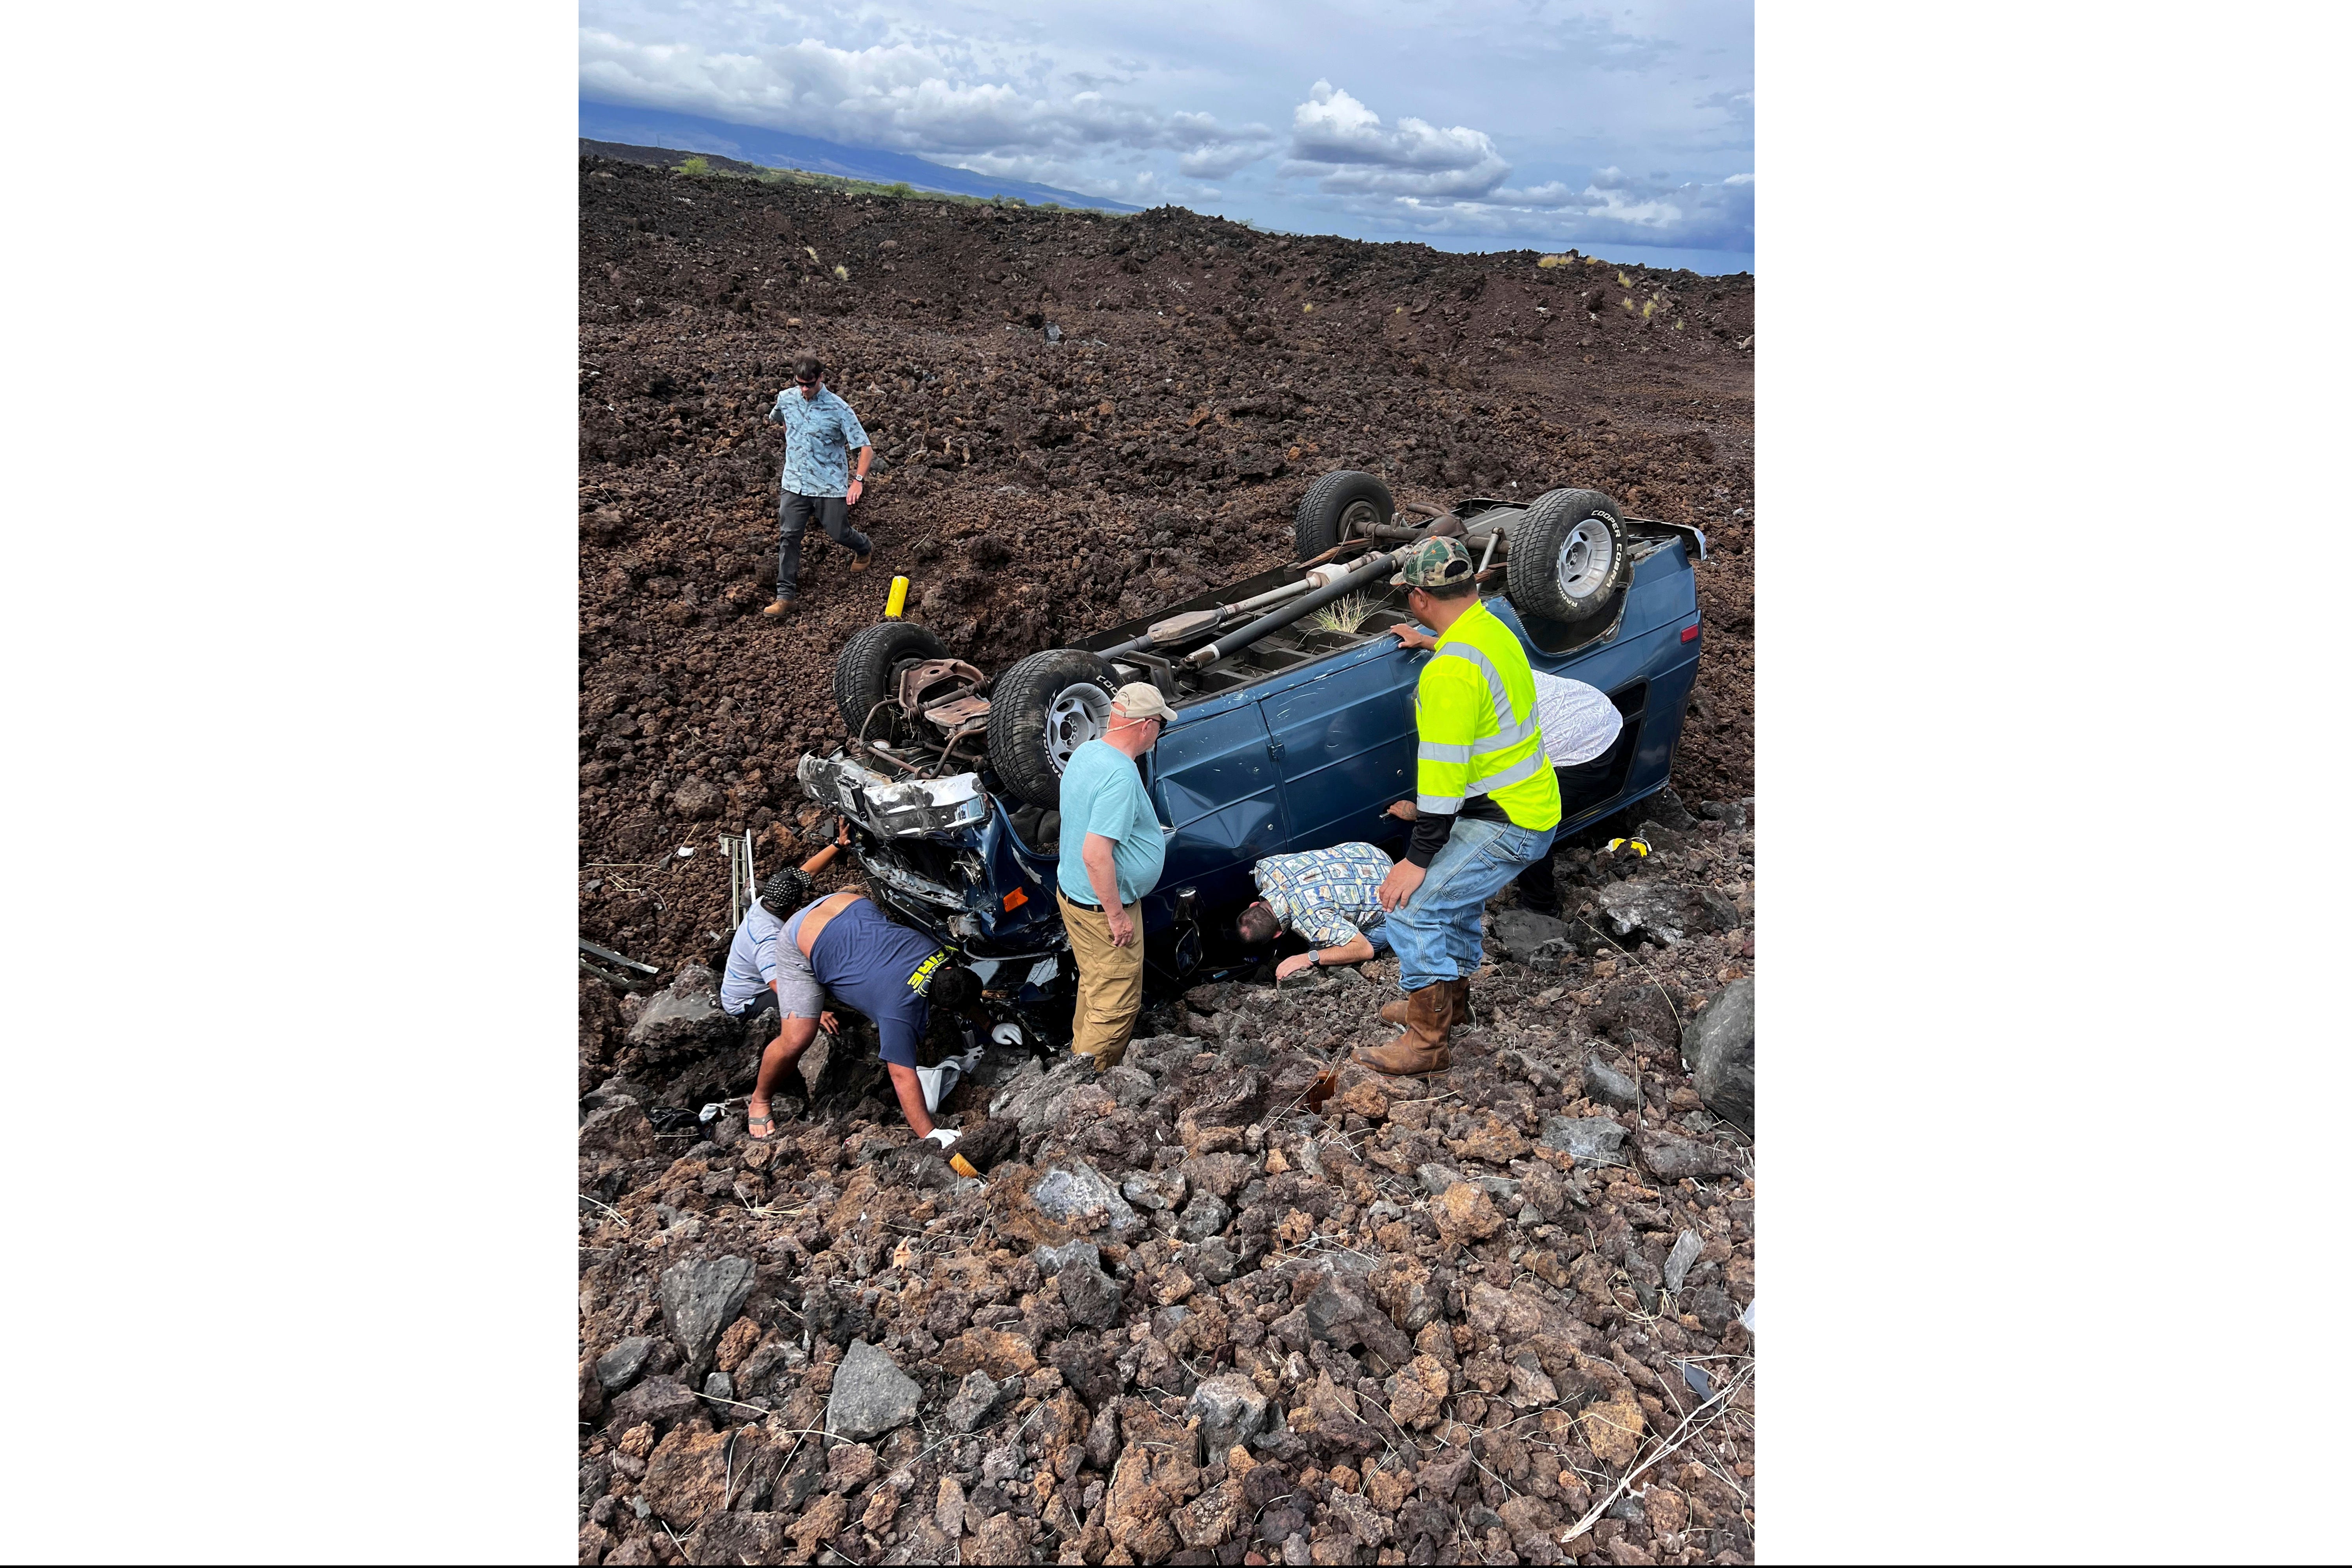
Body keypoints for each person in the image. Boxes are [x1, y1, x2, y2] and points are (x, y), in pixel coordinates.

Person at [1358, 537, 1561, 1076]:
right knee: (1457, 900)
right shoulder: (1493, 627)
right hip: (1528, 802)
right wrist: (1431, 642)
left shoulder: (1450, 673)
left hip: (1506, 820)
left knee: (1414, 907)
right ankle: (1454, 999)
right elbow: (1475, 664)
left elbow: (1443, 782)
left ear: (1421, 597)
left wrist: (1416, 860)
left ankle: (1427, 1042)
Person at [742, 877, 987, 1147]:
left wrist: (991, 1026)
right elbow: (902, 1075)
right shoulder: (898, 1014)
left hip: (843, 904)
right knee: (798, 1038)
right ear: (942, 1007)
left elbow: (961, 992)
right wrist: (928, 1133)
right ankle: (760, 1100)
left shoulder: (937, 951)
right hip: (798, 937)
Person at [1056, 682, 1176, 1071]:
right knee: (1116, 1003)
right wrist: (1116, 915)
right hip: (1101, 906)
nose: (1160, 731)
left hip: (1074, 894)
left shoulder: (1087, 752)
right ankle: (1087, 1082)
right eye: (1160, 723)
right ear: (1145, 725)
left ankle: (1078, 1052)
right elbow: (1096, 855)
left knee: (1095, 984)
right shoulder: (1121, 778)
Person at [762, 353, 875, 616]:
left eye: (809, 384)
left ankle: (864, 547)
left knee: (839, 533)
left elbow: (865, 448)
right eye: (800, 383)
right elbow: (779, 420)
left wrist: (857, 482)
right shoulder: (786, 399)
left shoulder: (839, 409)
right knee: (789, 536)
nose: (804, 389)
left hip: (828, 484)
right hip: (794, 483)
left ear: (821, 378)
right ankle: (785, 596)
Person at [1237, 842, 1397, 979]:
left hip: (1393, 896)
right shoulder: (1266, 869)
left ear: (1278, 934)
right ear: (1253, 905)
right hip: (1369, 855)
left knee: (1327, 949)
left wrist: (1309, 958)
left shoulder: (1313, 923)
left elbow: (1365, 949)